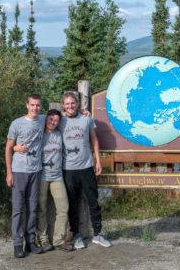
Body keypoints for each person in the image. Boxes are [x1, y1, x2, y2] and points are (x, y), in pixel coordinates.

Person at [15, 109, 74, 252]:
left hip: (57, 177)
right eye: (50, 119)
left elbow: (71, 116)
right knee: (41, 209)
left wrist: (84, 112)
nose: (52, 123)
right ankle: (43, 240)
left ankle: (58, 240)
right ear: (45, 119)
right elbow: (22, 142)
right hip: (41, 176)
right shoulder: (39, 134)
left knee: (63, 208)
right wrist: (15, 148)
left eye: (56, 121)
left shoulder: (59, 135)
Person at [60, 91, 112, 249]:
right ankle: (76, 235)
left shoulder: (86, 118)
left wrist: (97, 160)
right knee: (72, 203)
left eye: (73, 103)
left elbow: (94, 139)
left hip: (87, 166)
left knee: (93, 201)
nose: (70, 106)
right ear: (63, 105)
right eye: (67, 104)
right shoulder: (59, 121)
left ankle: (98, 234)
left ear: (77, 104)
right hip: (68, 169)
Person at [5, 94, 45, 258]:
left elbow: (63, 115)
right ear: (27, 105)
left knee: (33, 208)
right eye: (32, 105)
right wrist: (9, 172)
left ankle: (30, 241)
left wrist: (84, 113)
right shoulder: (16, 123)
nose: (35, 108)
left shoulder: (43, 119)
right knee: (17, 209)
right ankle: (17, 244)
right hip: (19, 170)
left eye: (38, 105)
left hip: (36, 170)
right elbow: (8, 148)